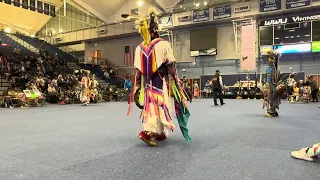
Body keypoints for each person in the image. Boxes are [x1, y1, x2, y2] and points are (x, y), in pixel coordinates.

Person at [124, 7, 191, 146]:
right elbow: (171, 66)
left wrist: (137, 87)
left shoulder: (139, 48)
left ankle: (160, 133)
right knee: (160, 106)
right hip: (160, 82)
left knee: (151, 106)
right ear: (155, 29)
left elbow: (137, 72)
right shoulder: (163, 44)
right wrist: (177, 83)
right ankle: (147, 133)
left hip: (148, 84)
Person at [263, 51, 281, 117]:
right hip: (275, 85)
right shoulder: (276, 69)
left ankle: (271, 110)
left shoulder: (269, 69)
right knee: (274, 98)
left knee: (271, 98)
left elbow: (268, 78)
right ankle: (273, 109)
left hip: (271, 85)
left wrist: (266, 86)